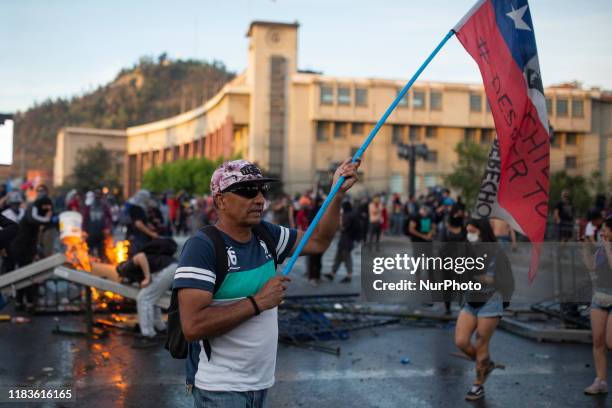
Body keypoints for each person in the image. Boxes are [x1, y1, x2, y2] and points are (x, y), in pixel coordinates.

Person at [174, 158, 359, 408]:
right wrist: (258, 302)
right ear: (220, 200)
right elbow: (193, 326)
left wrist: (336, 195)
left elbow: (317, 241)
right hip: (220, 390)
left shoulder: (265, 233)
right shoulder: (202, 247)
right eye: (248, 191)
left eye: (263, 190)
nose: (260, 199)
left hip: (260, 384)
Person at [454, 218, 512, 401]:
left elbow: (508, 281)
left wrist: (490, 281)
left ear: (482, 232)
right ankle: (485, 364)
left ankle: (478, 386)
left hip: (490, 301)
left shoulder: (497, 252)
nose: (469, 235)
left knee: (481, 344)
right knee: (461, 341)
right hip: (471, 301)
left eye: (473, 232)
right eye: (468, 232)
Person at [582, 217, 612, 395]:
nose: (603, 232)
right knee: (598, 340)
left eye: (606, 229)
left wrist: (608, 248)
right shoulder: (601, 247)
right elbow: (592, 267)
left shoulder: (606, 247)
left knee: (610, 341)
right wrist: (585, 250)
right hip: (599, 296)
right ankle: (600, 380)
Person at [8, 196, 53, 310]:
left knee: (26, 275)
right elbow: (34, 220)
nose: (47, 211)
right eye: (46, 208)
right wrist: (47, 218)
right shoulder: (32, 211)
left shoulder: (35, 211)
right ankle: (24, 301)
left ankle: (24, 301)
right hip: (20, 248)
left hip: (27, 248)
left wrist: (35, 251)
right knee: (25, 275)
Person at [325, 201, 360, 283]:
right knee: (338, 257)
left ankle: (349, 275)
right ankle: (332, 273)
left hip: (346, 241)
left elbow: (343, 227)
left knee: (346, 258)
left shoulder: (348, 216)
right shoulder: (353, 215)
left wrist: (340, 218)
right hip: (346, 240)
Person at [126, 190, 159, 256]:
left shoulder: (136, 207)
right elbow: (138, 224)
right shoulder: (137, 208)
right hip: (138, 239)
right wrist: (151, 234)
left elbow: (140, 221)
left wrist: (148, 225)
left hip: (137, 238)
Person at [82, 189, 112, 260]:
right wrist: (84, 230)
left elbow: (109, 217)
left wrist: (108, 228)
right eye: (96, 194)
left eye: (99, 194)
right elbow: (85, 218)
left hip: (100, 230)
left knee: (101, 249)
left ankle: (100, 264)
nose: (97, 196)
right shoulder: (89, 205)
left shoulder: (104, 205)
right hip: (91, 230)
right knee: (89, 249)